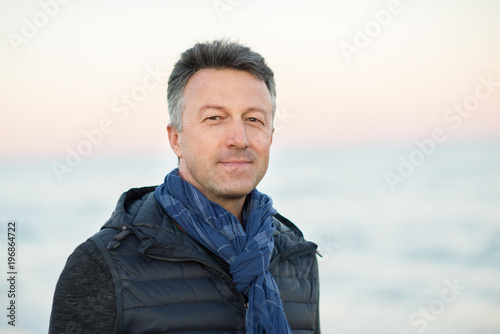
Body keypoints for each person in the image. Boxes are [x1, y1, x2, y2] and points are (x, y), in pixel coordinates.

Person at [49, 39, 320, 334]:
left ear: (270, 135)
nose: (239, 138)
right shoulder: (102, 265)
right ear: (176, 138)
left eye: (253, 119)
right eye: (215, 118)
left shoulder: (295, 254)